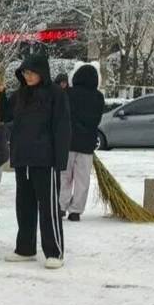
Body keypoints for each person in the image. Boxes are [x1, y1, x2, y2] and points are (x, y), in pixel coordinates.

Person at [0, 53, 71, 269]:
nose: (28, 77)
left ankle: (54, 251)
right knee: (24, 205)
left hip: (45, 160)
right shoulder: (21, 95)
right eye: (25, 73)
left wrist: (60, 160)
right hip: (23, 158)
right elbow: (3, 115)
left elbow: (62, 127)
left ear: (42, 72)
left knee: (48, 207)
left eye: (31, 73)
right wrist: (0, 94)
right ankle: (25, 248)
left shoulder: (55, 94)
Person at [59, 62, 105, 222]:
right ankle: (76, 211)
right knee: (82, 179)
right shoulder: (98, 97)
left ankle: (61, 206)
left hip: (69, 142)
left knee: (64, 176)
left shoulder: (68, 93)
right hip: (87, 144)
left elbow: (63, 116)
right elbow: (97, 119)